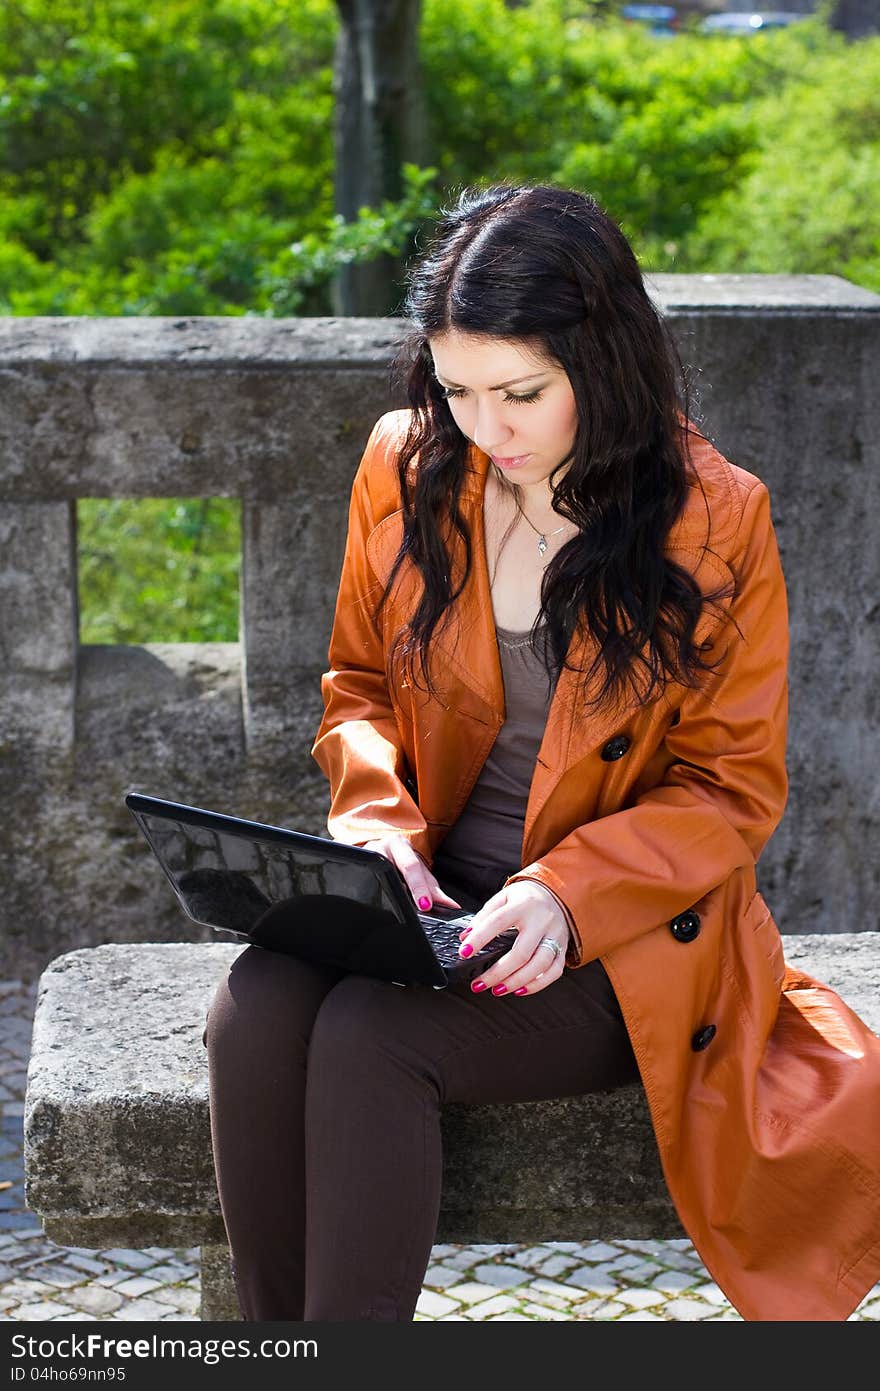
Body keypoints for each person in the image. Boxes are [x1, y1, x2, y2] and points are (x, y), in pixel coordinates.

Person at [205, 182, 880, 1323]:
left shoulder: (715, 518)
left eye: (521, 392)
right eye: (457, 389)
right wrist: (375, 822)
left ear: (602, 361)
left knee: (373, 1038)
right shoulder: (410, 463)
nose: (489, 430)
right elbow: (357, 687)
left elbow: (730, 788)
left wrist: (564, 891)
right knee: (256, 1003)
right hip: (435, 893)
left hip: (616, 928)